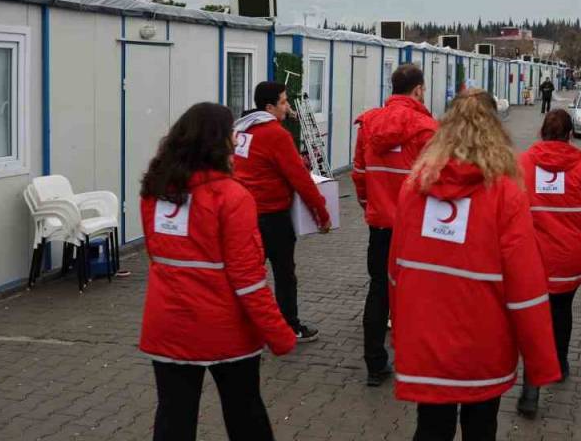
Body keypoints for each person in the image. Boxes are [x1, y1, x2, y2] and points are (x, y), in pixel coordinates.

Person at [390, 89, 561, 441]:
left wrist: (404, 329)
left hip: (428, 341)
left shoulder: (415, 186)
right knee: (481, 428)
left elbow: (397, 270)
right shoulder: (505, 192)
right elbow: (524, 285)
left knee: (431, 427)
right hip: (484, 343)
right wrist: (541, 361)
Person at [138, 103, 297, 440]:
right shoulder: (232, 197)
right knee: (245, 413)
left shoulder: (155, 191)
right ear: (219, 142)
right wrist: (280, 333)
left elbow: (158, 256)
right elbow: (248, 280)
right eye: (231, 134)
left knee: (173, 417)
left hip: (168, 325)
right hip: (225, 329)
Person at [514, 110, 581, 418]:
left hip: (530, 257)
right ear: (570, 135)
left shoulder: (520, 165)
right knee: (561, 310)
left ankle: (532, 385)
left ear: (541, 133)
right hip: (570, 259)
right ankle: (558, 364)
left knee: (535, 317)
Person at [352, 64, 438, 387]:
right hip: (415, 230)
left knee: (378, 290)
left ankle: (375, 363)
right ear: (418, 90)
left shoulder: (368, 124)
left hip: (380, 227)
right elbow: (437, 183)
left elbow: (359, 175)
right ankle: (416, 361)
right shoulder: (427, 128)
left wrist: (370, 206)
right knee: (418, 293)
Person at [233, 81, 332, 343]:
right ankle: (290, 326)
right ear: (269, 107)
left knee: (248, 272)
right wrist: (322, 214)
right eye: (284, 102)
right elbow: (300, 178)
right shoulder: (275, 134)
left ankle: (241, 325)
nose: (288, 107)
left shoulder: (242, 130)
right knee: (285, 274)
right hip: (273, 216)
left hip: (245, 215)